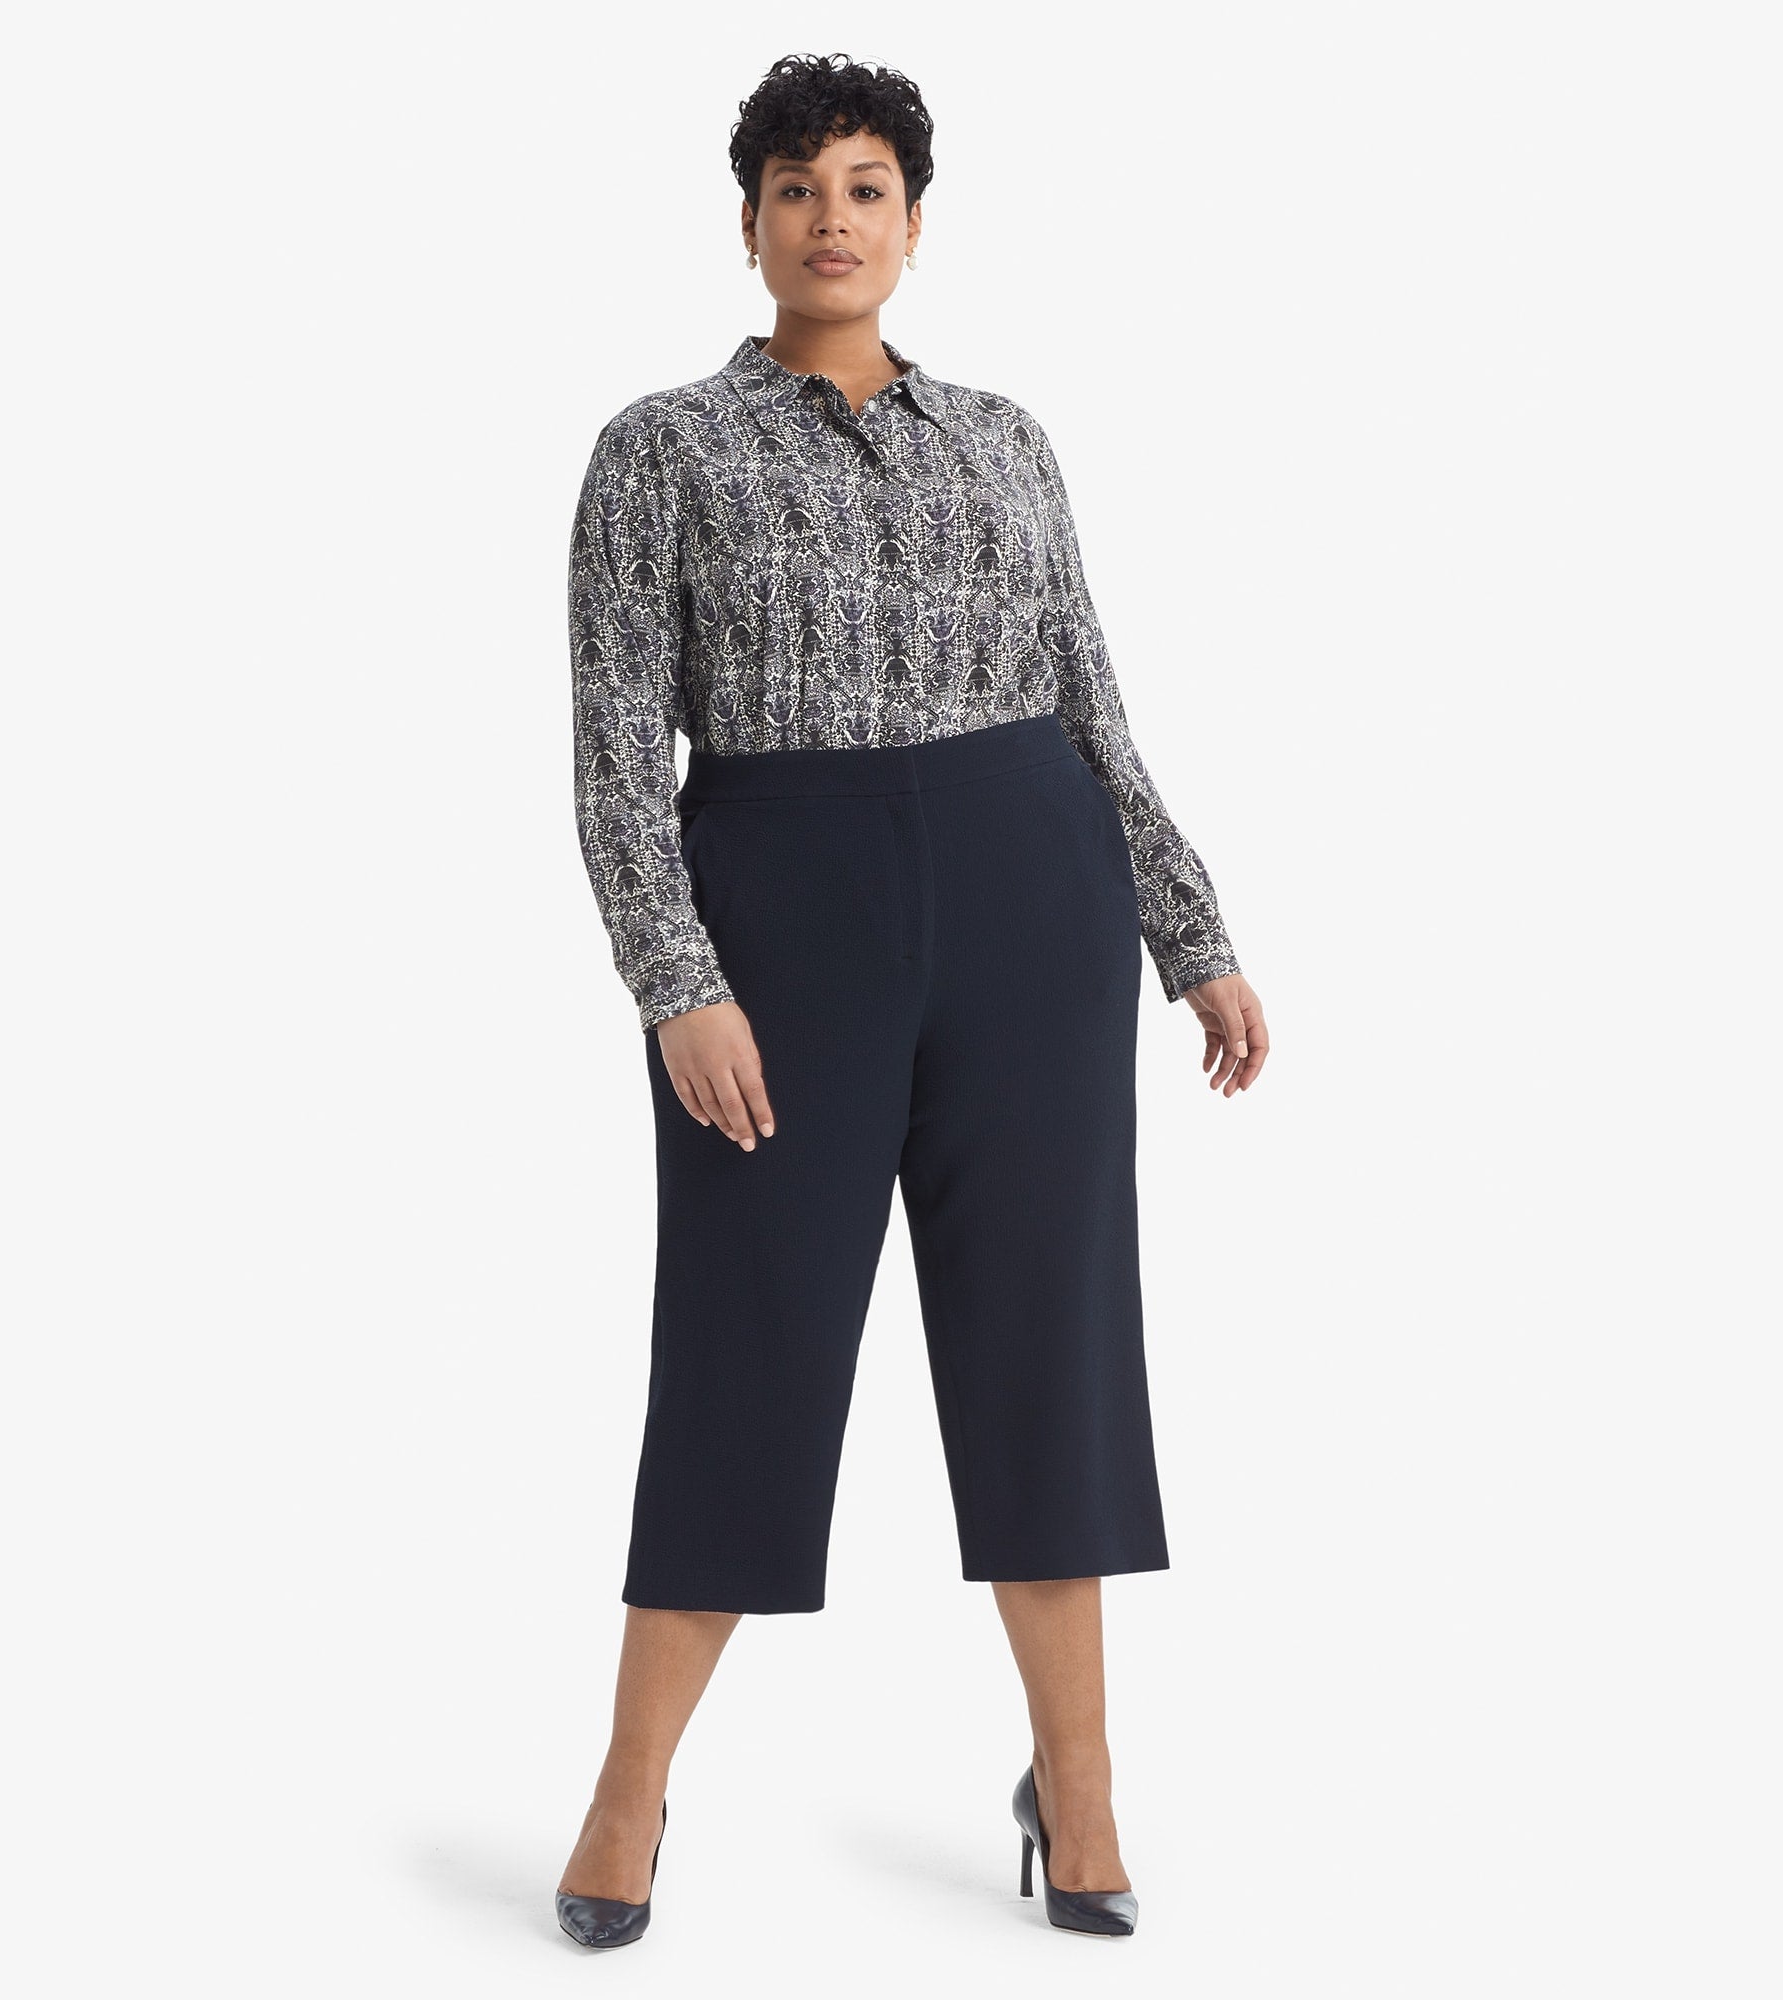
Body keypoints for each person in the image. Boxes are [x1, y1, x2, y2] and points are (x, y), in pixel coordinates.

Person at [555, 51, 1270, 1949]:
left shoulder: (1009, 440)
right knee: (749, 1346)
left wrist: (1191, 931)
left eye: (865, 187)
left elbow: (1092, 701)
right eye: (796, 189)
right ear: (749, 225)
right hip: (784, 922)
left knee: (1052, 1344)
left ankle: (1081, 1788)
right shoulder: (661, 450)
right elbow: (616, 755)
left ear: (916, 223)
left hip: (1033, 898)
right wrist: (677, 980)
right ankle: (629, 1788)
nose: (832, 219)